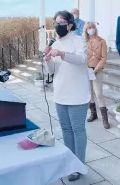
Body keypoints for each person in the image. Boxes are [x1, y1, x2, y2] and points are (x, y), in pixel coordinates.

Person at [44, 10, 90, 182]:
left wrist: (63, 54)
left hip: (77, 93)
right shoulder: (55, 43)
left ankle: (78, 165)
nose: (58, 25)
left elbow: (81, 60)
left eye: (61, 22)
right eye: (55, 22)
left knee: (78, 130)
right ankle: (69, 161)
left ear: (70, 24)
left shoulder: (78, 40)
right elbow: (52, 71)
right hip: (60, 93)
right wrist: (47, 58)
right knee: (66, 129)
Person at [84, 22, 110, 128]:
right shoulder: (84, 41)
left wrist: (97, 69)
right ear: (86, 30)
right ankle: (93, 114)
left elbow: (104, 57)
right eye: (89, 28)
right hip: (86, 70)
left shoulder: (102, 41)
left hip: (97, 70)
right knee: (90, 93)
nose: (91, 30)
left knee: (99, 94)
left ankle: (105, 119)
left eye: (92, 28)